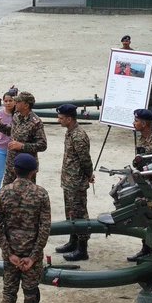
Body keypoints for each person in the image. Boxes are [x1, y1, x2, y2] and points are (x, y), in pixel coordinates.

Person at [0, 153, 51, 303]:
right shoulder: (41, 194)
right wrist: (33, 257)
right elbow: (44, 229)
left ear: (14, 170)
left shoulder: (2, 194)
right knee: (31, 296)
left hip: (12, 256)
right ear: (34, 171)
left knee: (9, 294)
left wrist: (9, 254)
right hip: (31, 257)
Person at [127, 108, 152, 262]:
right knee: (144, 217)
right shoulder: (142, 139)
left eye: (136, 121)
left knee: (151, 216)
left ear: (144, 124)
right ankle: (146, 248)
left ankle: (150, 250)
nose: (134, 123)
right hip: (143, 185)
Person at [56, 103, 94, 261]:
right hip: (69, 181)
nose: (59, 121)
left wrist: (89, 174)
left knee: (79, 214)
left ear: (69, 119)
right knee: (70, 212)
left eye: (61, 118)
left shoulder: (78, 136)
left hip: (76, 182)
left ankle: (82, 249)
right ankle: (73, 242)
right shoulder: (70, 132)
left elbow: (85, 159)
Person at [0, 91, 47, 186]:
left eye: (18, 102)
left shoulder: (36, 122)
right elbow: (11, 131)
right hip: (11, 165)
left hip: (26, 168)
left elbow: (42, 145)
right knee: (7, 193)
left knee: (26, 197)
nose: (16, 103)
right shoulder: (16, 116)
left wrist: (22, 146)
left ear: (26, 105)